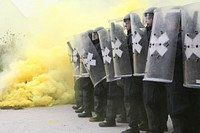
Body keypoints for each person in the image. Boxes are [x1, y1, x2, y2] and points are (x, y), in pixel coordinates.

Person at [142, 7, 169, 133]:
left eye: (149, 17)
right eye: (146, 17)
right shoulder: (146, 33)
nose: (147, 20)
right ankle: (157, 125)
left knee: (154, 100)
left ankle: (156, 127)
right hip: (149, 72)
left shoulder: (161, 32)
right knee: (152, 99)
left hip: (157, 72)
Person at [121, 13, 148, 133]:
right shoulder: (138, 34)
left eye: (127, 22)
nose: (125, 24)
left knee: (131, 99)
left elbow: (131, 56)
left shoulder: (134, 36)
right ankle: (144, 123)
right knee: (139, 99)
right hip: (138, 74)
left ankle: (133, 126)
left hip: (132, 74)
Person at [88, 27, 108, 122]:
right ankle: (100, 113)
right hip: (99, 74)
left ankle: (100, 114)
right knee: (99, 94)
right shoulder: (97, 45)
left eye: (96, 34)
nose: (94, 37)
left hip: (102, 74)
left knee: (100, 94)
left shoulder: (101, 45)